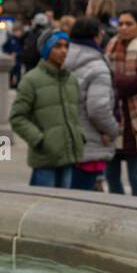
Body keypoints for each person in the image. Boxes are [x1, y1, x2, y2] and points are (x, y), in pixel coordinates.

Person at [9, 29, 84, 189]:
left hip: (69, 156)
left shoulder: (71, 79)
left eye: (66, 46)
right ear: (46, 49)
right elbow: (17, 117)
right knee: (43, 207)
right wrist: (39, 140)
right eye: (57, 46)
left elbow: (76, 113)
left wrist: (79, 134)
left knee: (64, 207)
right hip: (45, 159)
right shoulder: (31, 80)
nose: (63, 50)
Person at [105, 9, 137, 197]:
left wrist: (114, 80)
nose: (123, 28)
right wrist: (125, 81)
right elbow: (104, 79)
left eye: (128, 24)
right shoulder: (109, 47)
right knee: (111, 177)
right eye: (120, 24)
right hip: (113, 120)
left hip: (136, 123)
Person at [65, 16, 118, 191]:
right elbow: (98, 109)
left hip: (63, 143)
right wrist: (112, 130)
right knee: (81, 202)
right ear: (96, 36)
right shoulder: (97, 67)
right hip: (89, 144)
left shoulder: (59, 58)